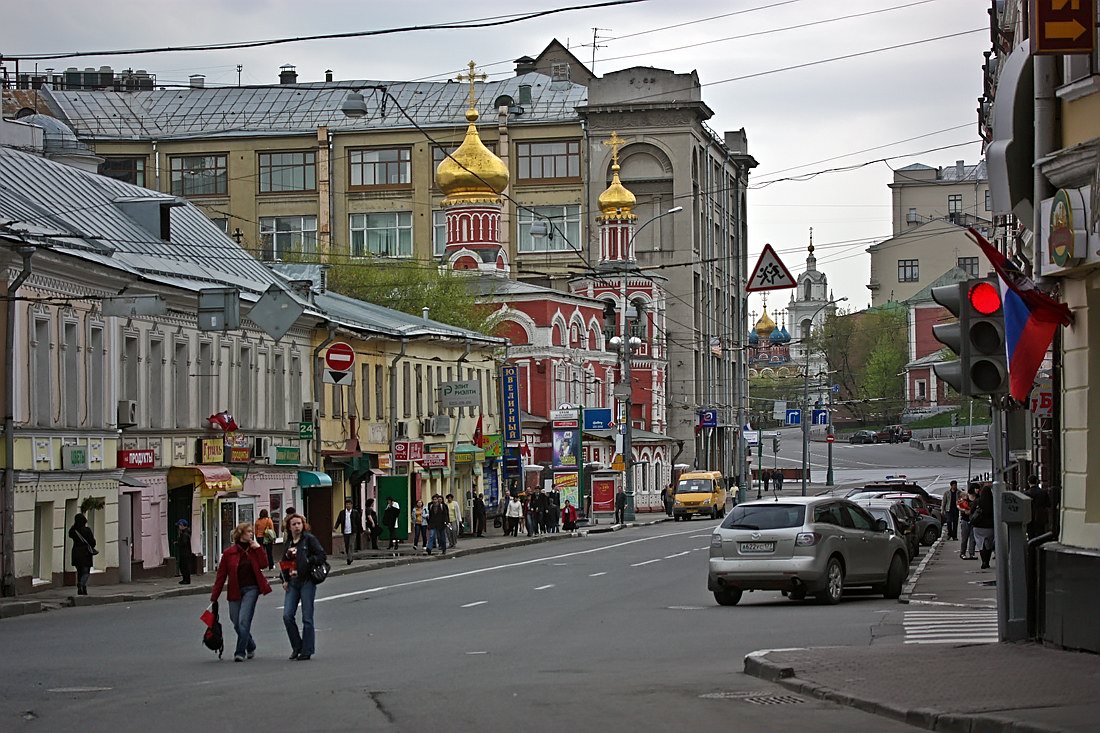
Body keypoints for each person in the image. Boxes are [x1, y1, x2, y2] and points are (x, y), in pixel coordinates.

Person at [211, 522, 272, 662]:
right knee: (235, 621)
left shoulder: (254, 549)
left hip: (252, 589)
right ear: (241, 534)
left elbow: (264, 564)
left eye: (252, 532)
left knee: (244, 620)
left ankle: (240, 652)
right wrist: (215, 596)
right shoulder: (229, 553)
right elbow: (221, 576)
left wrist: (258, 549)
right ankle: (250, 645)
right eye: (248, 531)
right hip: (235, 590)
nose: (251, 534)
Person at [280, 513, 325, 661]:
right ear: (289, 527)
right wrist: (284, 579)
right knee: (287, 615)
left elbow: (321, 556)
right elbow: (284, 562)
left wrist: (308, 560)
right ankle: (296, 646)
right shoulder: (288, 542)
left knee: (307, 617)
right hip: (292, 582)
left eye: (299, 523)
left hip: (307, 581)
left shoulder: (309, 539)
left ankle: (307, 650)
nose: (297, 526)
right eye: (294, 524)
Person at [68, 514, 96, 596]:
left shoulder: (74, 531)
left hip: (76, 553)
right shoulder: (87, 530)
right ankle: (81, 584)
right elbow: (92, 542)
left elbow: (70, 534)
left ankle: (82, 588)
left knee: (79, 571)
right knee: (86, 571)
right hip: (85, 553)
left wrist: (73, 527)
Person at [970, 484, 996, 569]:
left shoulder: (977, 501)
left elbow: (971, 511)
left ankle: (984, 561)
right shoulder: (994, 502)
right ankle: (987, 561)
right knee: (988, 545)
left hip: (978, 526)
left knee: (981, 544)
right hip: (990, 527)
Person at [333, 499, 362, 565]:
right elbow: (338, 521)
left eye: (349, 504)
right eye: (347, 504)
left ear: (352, 505)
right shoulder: (342, 513)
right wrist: (335, 527)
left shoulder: (355, 512)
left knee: (351, 545)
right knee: (346, 545)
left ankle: (349, 558)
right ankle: (349, 556)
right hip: (345, 531)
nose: (348, 505)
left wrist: (361, 530)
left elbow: (358, 522)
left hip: (353, 531)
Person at [1025, 475, 1051, 540]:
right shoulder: (1043, 492)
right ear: (1037, 481)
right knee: (1041, 536)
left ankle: (1032, 549)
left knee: (1031, 536)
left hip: (1030, 518)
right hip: (1040, 518)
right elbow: (1048, 504)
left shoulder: (1026, 494)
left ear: (1028, 482)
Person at [958, 487, 977, 559]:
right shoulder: (962, 501)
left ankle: (972, 553)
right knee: (965, 538)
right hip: (965, 520)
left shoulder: (975, 500)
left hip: (972, 520)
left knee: (972, 538)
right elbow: (959, 507)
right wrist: (964, 510)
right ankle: (962, 553)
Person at [176, 518, 193, 584]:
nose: (179, 527)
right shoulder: (185, 533)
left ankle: (186, 580)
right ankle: (185, 579)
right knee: (183, 566)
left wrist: (178, 543)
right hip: (185, 553)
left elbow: (184, 543)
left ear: (182, 525)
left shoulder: (185, 534)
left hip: (185, 553)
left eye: (179, 525)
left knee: (185, 567)